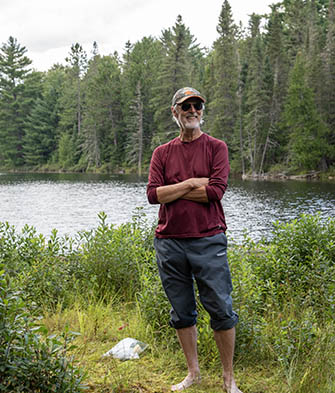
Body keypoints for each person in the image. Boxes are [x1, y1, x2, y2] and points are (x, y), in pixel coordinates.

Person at [146, 87, 243, 393]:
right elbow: (153, 195)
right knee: (181, 310)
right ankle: (194, 374)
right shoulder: (162, 153)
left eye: (197, 105)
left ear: (202, 110)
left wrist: (172, 190)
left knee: (221, 308)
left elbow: (214, 192)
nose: (192, 111)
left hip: (208, 239)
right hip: (169, 240)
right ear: (174, 111)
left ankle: (228, 379)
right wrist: (189, 183)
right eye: (185, 106)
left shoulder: (217, 148)